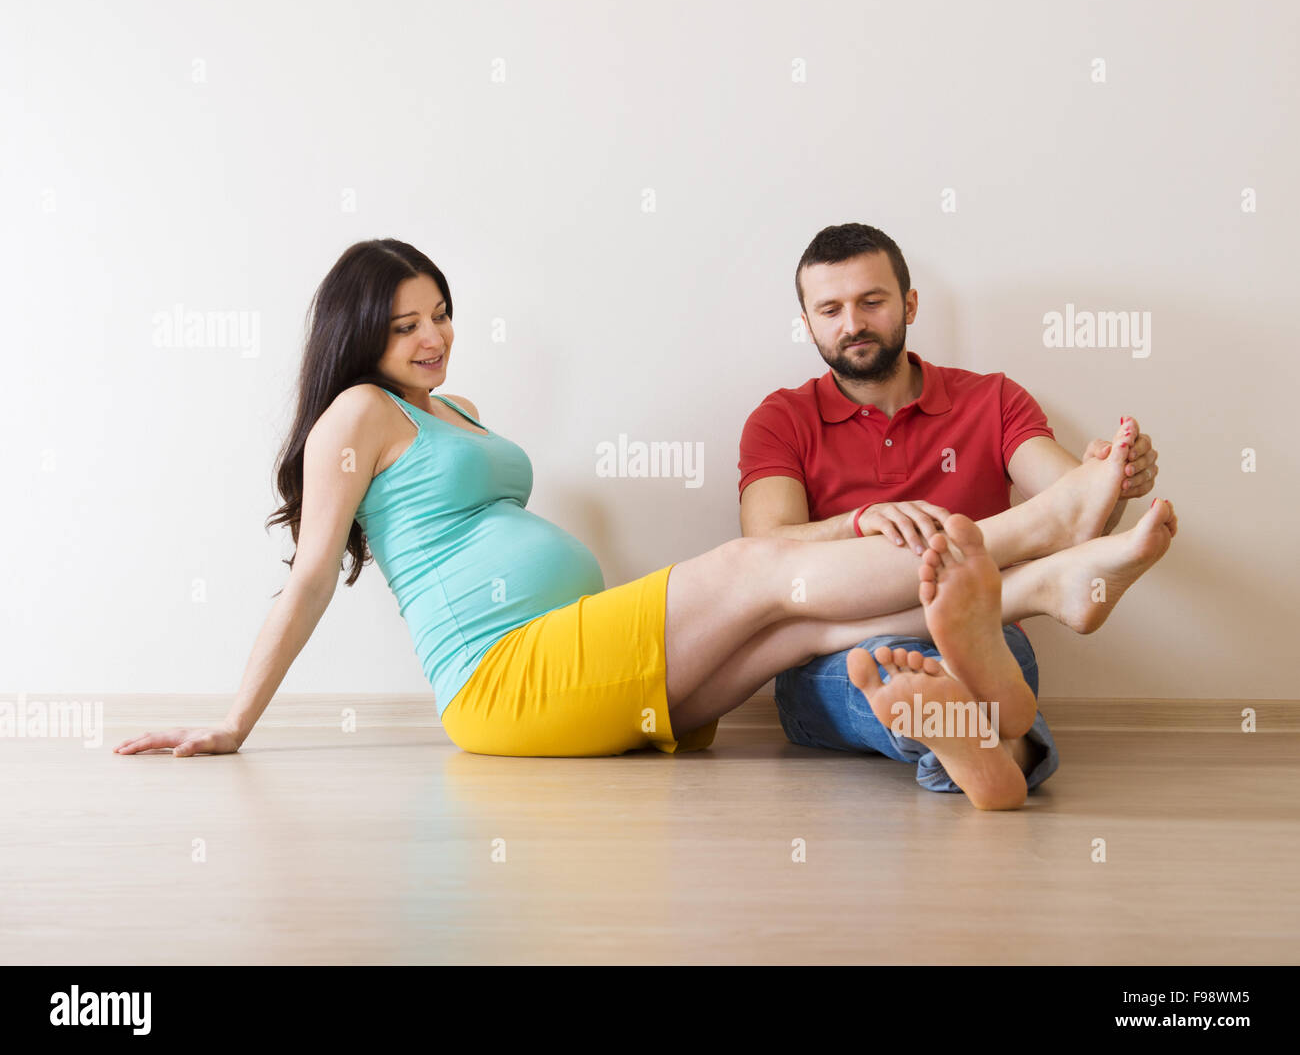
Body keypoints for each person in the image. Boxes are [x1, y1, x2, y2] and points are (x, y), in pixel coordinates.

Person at [115, 238, 1176, 810]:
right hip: (507, 678)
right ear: (359, 334)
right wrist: (234, 722)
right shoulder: (354, 413)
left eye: (440, 312)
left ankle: (1025, 632)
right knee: (756, 570)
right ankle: (1041, 551)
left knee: (795, 629)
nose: (433, 336)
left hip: (582, 663)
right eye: (405, 324)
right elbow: (306, 578)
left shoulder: (453, 411)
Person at [738, 222, 1167, 799]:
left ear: (909, 303)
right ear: (808, 323)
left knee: (965, 663)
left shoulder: (992, 400)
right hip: (833, 648)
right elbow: (765, 551)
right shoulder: (781, 419)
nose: (853, 324)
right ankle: (1007, 750)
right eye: (830, 309)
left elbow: (1078, 519)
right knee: (878, 667)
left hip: (981, 632)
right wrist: (857, 519)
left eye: (871, 301)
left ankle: (963, 743)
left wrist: (1111, 481)